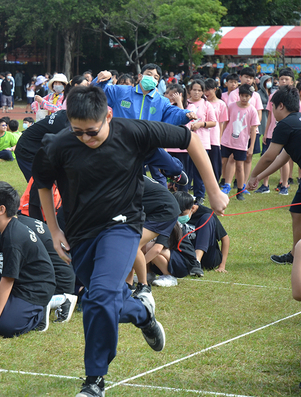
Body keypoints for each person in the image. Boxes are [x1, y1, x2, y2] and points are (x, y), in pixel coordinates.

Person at [32, 85, 228, 397]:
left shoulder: (133, 132)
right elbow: (43, 182)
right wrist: (54, 231)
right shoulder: (60, 145)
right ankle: (142, 314)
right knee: (100, 300)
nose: (85, 138)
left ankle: (94, 380)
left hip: (121, 227)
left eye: (92, 132)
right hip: (79, 234)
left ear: (107, 116)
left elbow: (189, 138)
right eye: (78, 131)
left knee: (99, 298)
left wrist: (214, 190)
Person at [0, 182, 56, 337]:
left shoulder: (13, 237)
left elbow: (7, 280)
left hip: (34, 288)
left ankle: (40, 313)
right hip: (17, 279)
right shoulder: (4, 228)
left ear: (1, 209)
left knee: (6, 327)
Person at [248, 86, 301, 265]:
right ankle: (295, 255)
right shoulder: (296, 122)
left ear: (280, 106)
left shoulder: (284, 125)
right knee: (297, 212)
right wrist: (258, 176)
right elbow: (282, 156)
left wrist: (253, 175)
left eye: (272, 107)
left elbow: (269, 156)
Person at [220, 84, 260, 200]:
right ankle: (226, 184)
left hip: (241, 143)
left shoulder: (252, 110)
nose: (244, 98)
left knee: (239, 166)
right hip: (227, 140)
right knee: (224, 162)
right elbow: (226, 122)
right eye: (242, 96)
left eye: (246, 96)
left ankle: (239, 190)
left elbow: (253, 129)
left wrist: (251, 146)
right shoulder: (231, 106)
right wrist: (222, 136)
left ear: (250, 96)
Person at [173, 191, 230, 273]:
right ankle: (191, 263)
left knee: (207, 218)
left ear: (192, 208)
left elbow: (225, 239)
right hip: (185, 253)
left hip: (208, 257)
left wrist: (222, 266)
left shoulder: (207, 213)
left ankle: (196, 262)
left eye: (182, 214)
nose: (178, 217)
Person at [204, 78, 228, 184]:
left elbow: (221, 123)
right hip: (202, 137)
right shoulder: (202, 103)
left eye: (208, 90)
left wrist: (220, 139)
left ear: (214, 89)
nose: (206, 93)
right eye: (204, 90)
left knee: (215, 162)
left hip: (214, 137)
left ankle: (214, 182)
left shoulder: (221, 104)